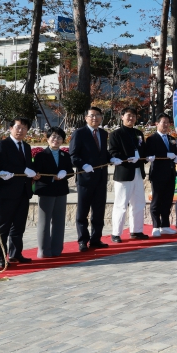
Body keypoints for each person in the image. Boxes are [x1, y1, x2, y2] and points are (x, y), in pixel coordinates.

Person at [0, 117, 39, 267]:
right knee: (3, 226)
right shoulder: (2, 145)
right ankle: (0, 257)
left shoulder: (26, 146)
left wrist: (34, 173)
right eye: (18, 127)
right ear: (11, 128)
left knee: (19, 226)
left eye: (24, 128)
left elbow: (28, 165)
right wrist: (24, 170)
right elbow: (2, 165)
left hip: (24, 191)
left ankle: (15, 253)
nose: (21, 130)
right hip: (7, 191)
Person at [69, 106, 110, 252]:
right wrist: (83, 165)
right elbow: (73, 155)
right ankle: (82, 240)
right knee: (83, 212)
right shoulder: (79, 133)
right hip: (85, 179)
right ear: (86, 118)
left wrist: (112, 158)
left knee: (98, 211)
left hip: (101, 178)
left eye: (98, 115)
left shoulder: (103, 133)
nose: (95, 118)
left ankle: (96, 239)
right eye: (92, 115)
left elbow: (103, 154)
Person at [109, 107, 153, 242]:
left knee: (138, 203)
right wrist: (126, 158)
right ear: (122, 116)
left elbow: (143, 149)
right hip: (124, 173)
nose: (131, 118)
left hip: (138, 172)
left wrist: (147, 157)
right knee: (121, 204)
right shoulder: (115, 134)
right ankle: (116, 233)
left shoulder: (138, 133)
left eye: (133, 116)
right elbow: (113, 152)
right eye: (128, 115)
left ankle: (136, 230)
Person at [33, 127, 74, 258]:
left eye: (59, 137)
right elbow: (37, 173)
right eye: (53, 137)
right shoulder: (40, 155)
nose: (56, 140)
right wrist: (52, 177)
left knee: (59, 221)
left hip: (61, 190)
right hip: (46, 190)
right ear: (48, 139)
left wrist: (65, 173)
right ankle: (44, 250)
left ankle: (57, 249)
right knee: (44, 221)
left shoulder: (65, 155)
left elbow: (70, 171)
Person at [146, 114, 177, 237]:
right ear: (157, 123)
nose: (165, 125)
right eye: (163, 122)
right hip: (158, 174)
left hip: (170, 173)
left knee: (167, 200)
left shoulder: (171, 138)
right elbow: (150, 154)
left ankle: (165, 226)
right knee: (157, 200)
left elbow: (175, 153)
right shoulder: (151, 139)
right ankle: (156, 226)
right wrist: (165, 155)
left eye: (167, 123)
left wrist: (176, 158)